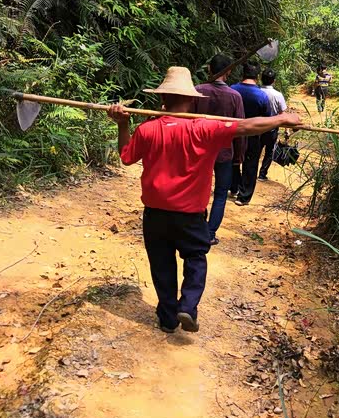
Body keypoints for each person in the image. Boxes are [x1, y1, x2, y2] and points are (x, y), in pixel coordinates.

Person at [107, 66, 300, 334]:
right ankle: (187, 305)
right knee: (196, 256)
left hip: (155, 213)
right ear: (193, 99)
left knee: (161, 264)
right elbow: (247, 126)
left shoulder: (147, 129)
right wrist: (280, 119)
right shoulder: (205, 129)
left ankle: (167, 318)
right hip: (190, 213)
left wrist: (123, 124)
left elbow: (126, 157)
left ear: (162, 99)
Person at [193, 53, 246, 246]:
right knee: (221, 193)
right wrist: (238, 155)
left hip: (199, 150)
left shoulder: (198, 91)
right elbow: (239, 129)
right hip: (224, 152)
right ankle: (209, 232)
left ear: (209, 69)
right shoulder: (234, 97)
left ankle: (196, 229)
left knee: (197, 189)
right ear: (229, 71)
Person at [230, 62, 269, 206]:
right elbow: (267, 117)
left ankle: (233, 187)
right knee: (250, 164)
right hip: (253, 133)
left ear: (243, 73)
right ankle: (243, 196)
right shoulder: (261, 95)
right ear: (257, 76)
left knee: (233, 160)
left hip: (234, 131)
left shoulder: (232, 90)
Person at [258, 68, 287, 181]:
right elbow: (282, 113)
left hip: (257, 127)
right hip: (272, 128)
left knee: (256, 150)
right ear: (274, 81)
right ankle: (262, 174)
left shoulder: (257, 92)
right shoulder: (278, 95)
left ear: (261, 78)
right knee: (269, 151)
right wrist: (286, 130)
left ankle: (251, 171)